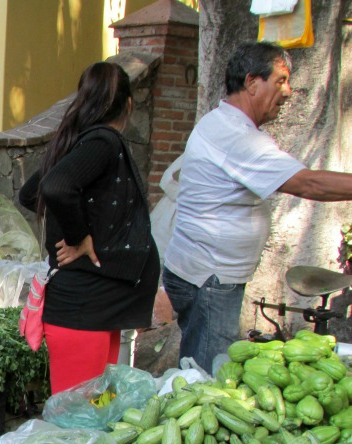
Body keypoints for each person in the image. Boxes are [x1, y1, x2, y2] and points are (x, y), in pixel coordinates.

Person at [163, 41, 352, 375]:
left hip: (204, 273)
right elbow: (308, 183)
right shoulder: (234, 135)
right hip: (210, 278)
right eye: (280, 80)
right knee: (207, 379)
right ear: (251, 82)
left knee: (198, 367)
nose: (289, 91)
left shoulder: (222, 124)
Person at [18, 61, 159, 394]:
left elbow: (31, 193)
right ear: (128, 104)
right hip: (84, 309)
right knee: (76, 418)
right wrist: (79, 237)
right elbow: (54, 187)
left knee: (97, 407)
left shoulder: (78, 142)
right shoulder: (103, 142)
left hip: (100, 310)